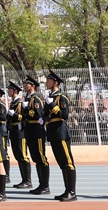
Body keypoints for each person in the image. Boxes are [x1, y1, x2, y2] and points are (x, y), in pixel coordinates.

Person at [44, 70, 77, 202]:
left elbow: (64, 114)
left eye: (49, 80)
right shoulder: (49, 97)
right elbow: (46, 115)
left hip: (61, 132)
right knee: (62, 163)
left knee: (68, 162)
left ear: (55, 83)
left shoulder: (61, 97)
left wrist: (52, 105)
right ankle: (67, 190)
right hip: (52, 132)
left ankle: (72, 192)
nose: (46, 82)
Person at [22, 74, 52, 196]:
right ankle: (41, 185)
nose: (25, 86)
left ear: (32, 86)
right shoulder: (27, 99)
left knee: (41, 158)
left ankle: (45, 186)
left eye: (27, 84)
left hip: (36, 130)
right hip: (29, 130)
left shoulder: (36, 99)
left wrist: (27, 109)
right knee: (35, 158)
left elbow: (38, 115)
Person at [6, 81, 32, 189]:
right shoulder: (13, 103)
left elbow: (23, 117)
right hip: (13, 131)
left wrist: (14, 115)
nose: (8, 91)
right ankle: (23, 179)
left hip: (20, 131)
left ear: (15, 91)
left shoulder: (20, 103)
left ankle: (27, 180)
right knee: (18, 156)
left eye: (10, 90)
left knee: (23, 156)